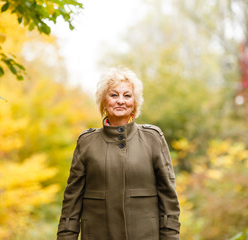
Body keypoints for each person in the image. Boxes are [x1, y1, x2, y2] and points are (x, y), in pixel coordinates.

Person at [57, 67, 181, 240]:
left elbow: (169, 198)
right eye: (114, 95)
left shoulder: (153, 138)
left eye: (127, 95)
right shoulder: (86, 143)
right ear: (104, 101)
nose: (120, 101)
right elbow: (72, 202)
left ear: (135, 102)